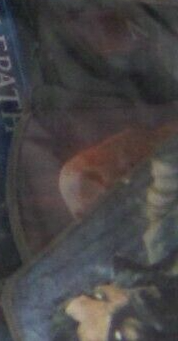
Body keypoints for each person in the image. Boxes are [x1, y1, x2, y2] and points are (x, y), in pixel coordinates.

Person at [54, 138, 178, 341]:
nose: (123, 303)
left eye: (101, 297)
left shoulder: (160, 240)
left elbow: (166, 167)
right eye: (119, 335)